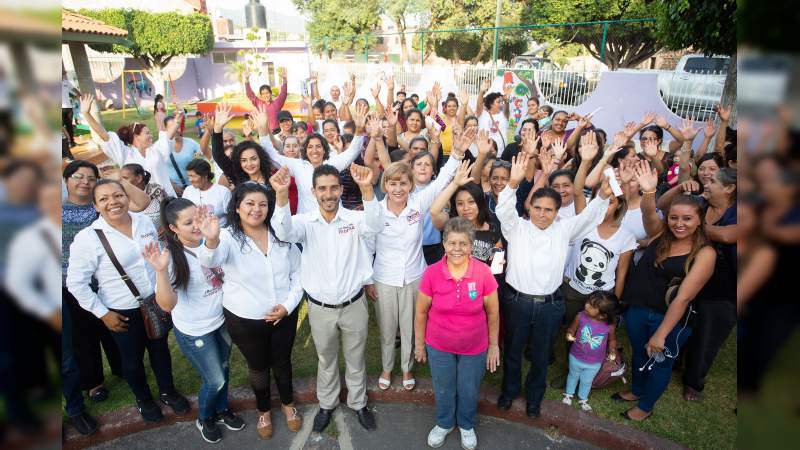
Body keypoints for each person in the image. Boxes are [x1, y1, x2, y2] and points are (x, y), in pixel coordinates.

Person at [495, 154, 612, 418]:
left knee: (540, 355)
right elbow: (503, 210)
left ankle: (534, 398)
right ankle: (509, 391)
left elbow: (590, 217)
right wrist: (512, 184)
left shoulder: (563, 230)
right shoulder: (517, 229)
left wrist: (603, 195)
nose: (542, 214)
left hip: (549, 305)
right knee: (512, 351)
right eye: (537, 208)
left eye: (549, 210)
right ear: (530, 208)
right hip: (517, 302)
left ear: (557, 213)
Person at [66, 179, 190, 423]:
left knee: (160, 350)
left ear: (126, 197)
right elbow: (75, 283)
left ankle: (167, 391)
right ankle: (143, 399)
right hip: (121, 310)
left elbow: (154, 260)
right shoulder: (88, 238)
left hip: (154, 301)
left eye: (118, 195)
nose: (113, 202)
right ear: (95, 206)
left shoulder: (142, 221)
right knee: (132, 359)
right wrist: (103, 313)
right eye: (104, 199)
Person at [270, 163, 381, 433]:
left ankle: (358, 403)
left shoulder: (355, 220)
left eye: (333, 188)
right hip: (320, 309)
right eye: (322, 189)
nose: (328, 194)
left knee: (356, 359)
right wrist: (282, 195)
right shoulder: (304, 222)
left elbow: (376, 224)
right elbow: (283, 231)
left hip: (354, 304)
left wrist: (367, 188)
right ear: (314, 191)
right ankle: (327, 404)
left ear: (342, 189)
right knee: (326, 359)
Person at [196, 183, 304, 440]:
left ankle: (288, 405)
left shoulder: (281, 234)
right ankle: (264, 410)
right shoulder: (227, 237)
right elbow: (210, 261)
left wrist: (288, 306)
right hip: (244, 319)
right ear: (237, 207)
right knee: (257, 366)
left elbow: (299, 273)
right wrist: (210, 239)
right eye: (250, 204)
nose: (257, 209)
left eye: (263, 204)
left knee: (282, 362)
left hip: (283, 316)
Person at [613, 160, 715, 421]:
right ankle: (637, 390)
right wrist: (649, 193)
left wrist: (661, 333)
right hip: (639, 308)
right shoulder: (660, 235)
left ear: (699, 220)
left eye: (687, 219)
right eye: (674, 217)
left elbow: (683, 298)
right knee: (639, 352)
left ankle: (645, 407)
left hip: (671, 319)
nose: (679, 224)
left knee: (659, 362)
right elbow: (650, 214)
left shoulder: (705, 253)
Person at [141, 198, 245, 443]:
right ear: (173, 228)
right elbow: (166, 304)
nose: (196, 225)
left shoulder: (214, 240)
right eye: (188, 223)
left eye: (197, 218)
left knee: (225, 370)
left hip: (221, 322)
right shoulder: (170, 258)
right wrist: (160, 271)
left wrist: (212, 238)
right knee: (215, 378)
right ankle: (205, 417)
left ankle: (221, 410)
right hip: (195, 331)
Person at [369, 140, 465, 392]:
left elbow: (442, 179)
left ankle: (407, 367)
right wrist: (368, 280)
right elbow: (367, 249)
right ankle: (387, 367)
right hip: (384, 279)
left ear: (411, 185)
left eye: (403, 183)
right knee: (388, 328)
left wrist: (455, 154)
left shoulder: (418, 203)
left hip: (414, 278)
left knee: (411, 325)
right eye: (392, 183)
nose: (398, 188)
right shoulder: (375, 212)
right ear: (385, 185)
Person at [61, 161, 148, 404]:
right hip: (72, 285)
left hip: (109, 281)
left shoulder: (100, 205)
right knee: (84, 335)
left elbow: (141, 204)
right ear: (66, 179)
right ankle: (94, 382)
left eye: (91, 178)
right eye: (78, 176)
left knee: (114, 328)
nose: (84, 182)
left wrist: (118, 180)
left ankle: (122, 367)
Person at [414, 217, 500, 450]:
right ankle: (444, 423)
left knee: (468, 389)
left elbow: (493, 313)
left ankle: (466, 424)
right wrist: (420, 345)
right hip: (439, 344)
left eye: (463, 243)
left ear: (471, 245)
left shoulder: (483, 273)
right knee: (443, 387)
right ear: (444, 244)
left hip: (474, 346)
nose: (457, 249)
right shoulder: (432, 273)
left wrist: (493, 346)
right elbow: (421, 312)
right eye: (452, 243)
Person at [682, 168, 737, 401]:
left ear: (729, 188)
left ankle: (693, 382)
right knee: (682, 321)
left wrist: (691, 226)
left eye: (713, 180)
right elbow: (666, 205)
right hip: (691, 276)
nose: (707, 181)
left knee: (708, 334)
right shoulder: (701, 206)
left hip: (723, 288)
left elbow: (727, 236)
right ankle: (675, 360)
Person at [256, 103, 371, 214]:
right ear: (305, 151)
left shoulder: (332, 164)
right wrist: (262, 131)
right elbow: (272, 156)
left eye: (318, 146)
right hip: (307, 226)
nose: (314, 150)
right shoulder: (298, 166)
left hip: (334, 223)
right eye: (310, 147)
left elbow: (352, 152)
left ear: (325, 150)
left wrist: (359, 129)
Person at [80, 94, 181, 198]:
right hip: (141, 206)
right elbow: (104, 136)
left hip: (167, 201)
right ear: (136, 136)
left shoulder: (156, 149)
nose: (151, 135)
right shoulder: (125, 154)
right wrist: (86, 114)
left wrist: (180, 113)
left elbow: (171, 131)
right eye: (147, 133)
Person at [562, 291, 619, 412]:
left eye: (592, 306)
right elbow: (571, 329)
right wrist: (569, 334)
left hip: (594, 362)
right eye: (588, 301)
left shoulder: (609, 326)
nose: (586, 305)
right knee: (573, 375)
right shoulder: (580, 316)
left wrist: (612, 350)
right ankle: (568, 394)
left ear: (602, 316)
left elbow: (612, 340)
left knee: (587, 380)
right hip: (576, 356)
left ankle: (583, 398)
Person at [210, 103, 274, 189]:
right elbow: (218, 155)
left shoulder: (271, 177)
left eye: (253, 158)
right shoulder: (237, 175)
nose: (249, 164)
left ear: (260, 158)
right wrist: (217, 128)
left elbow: (268, 148)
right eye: (244, 160)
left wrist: (263, 129)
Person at [120, 163, 168, 235]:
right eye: (121, 179)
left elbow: (170, 210)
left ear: (139, 178)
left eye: (125, 179)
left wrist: (166, 228)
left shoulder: (156, 190)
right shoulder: (123, 197)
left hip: (166, 235)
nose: (122, 182)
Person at [182, 159, 232, 226]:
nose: (190, 180)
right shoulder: (188, 191)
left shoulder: (223, 192)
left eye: (193, 176)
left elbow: (232, 217)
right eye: (189, 176)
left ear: (205, 176)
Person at [164, 115, 203, 196]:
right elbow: (157, 170)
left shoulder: (191, 143)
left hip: (192, 188)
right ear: (165, 129)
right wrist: (172, 185)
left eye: (178, 127)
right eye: (172, 127)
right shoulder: (161, 147)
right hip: (171, 190)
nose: (176, 130)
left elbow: (204, 153)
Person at [243, 68, 288, 132]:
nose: (266, 95)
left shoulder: (277, 103)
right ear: (261, 95)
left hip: (276, 132)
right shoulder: (259, 103)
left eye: (267, 93)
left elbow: (283, 94)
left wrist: (285, 79)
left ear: (271, 93)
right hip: (264, 132)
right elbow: (250, 94)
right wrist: (247, 80)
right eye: (263, 94)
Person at [476, 79, 510, 156]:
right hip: (483, 153)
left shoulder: (504, 115)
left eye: (502, 102)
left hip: (501, 154)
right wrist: (481, 91)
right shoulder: (483, 114)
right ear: (491, 104)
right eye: (498, 102)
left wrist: (506, 101)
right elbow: (479, 106)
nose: (501, 104)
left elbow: (507, 108)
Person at [62, 70, 80, 147]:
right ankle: (65, 143)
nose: (65, 75)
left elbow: (73, 89)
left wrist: (79, 94)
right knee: (61, 127)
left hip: (69, 108)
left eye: (64, 74)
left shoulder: (66, 82)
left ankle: (72, 142)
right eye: (63, 73)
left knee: (69, 126)